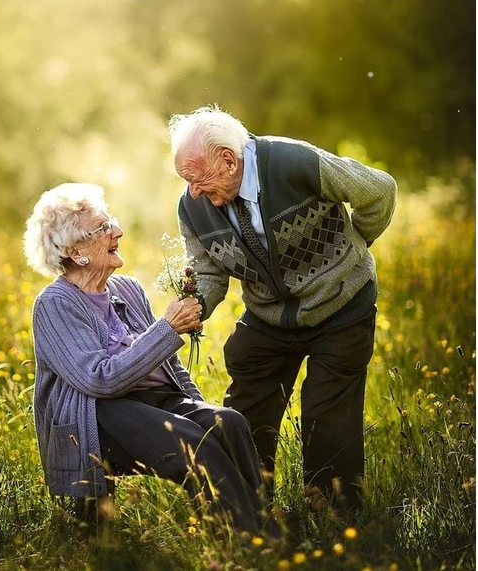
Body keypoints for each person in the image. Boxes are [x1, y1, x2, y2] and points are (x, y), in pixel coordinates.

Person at [168, 106, 397, 510]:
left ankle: (333, 508)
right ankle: (246, 503)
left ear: (227, 159)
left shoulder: (294, 162)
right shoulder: (193, 206)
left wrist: (351, 246)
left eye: (196, 177)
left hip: (341, 304)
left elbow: (379, 190)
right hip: (269, 315)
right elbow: (207, 271)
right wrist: (195, 303)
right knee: (246, 398)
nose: (194, 191)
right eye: (185, 180)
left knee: (328, 412)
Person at [23, 182, 274, 535]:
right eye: (103, 228)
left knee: (227, 423)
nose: (117, 231)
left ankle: (239, 530)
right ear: (76, 251)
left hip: (156, 402)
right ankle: (262, 541)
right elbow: (99, 379)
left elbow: (168, 365)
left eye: (111, 221)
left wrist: (198, 407)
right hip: (101, 417)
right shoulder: (55, 304)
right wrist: (167, 328)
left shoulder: (127, 289)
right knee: (191, 442)